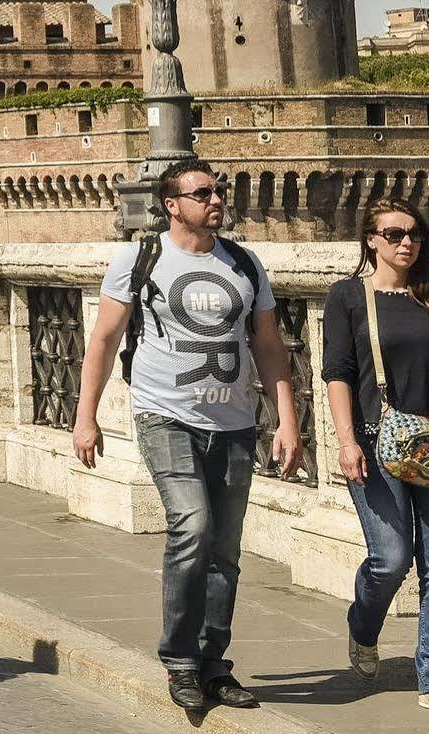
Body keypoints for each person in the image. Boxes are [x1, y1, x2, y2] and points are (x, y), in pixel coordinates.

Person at [72, 158, 300, 713]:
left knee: (225, 551)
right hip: (164, 415)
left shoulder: (245, 263)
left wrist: (288, 418)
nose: (215, 199)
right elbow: (104, 339)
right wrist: (86, 415)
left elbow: (269, 346)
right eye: (202, 193)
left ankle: (213, 663)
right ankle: (179, 660)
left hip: (235, 422)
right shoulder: (139, 259)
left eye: (218, 190)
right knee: (193, 528)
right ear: (172, 204)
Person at [321, 200, 429, 715]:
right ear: (371, 239)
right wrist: (345, 441)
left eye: (414, 235)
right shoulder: (348, 296)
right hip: (376, 445)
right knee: (389, 560)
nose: (406, 242)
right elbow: (337, 373)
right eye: (393, 234)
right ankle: (363, 627)